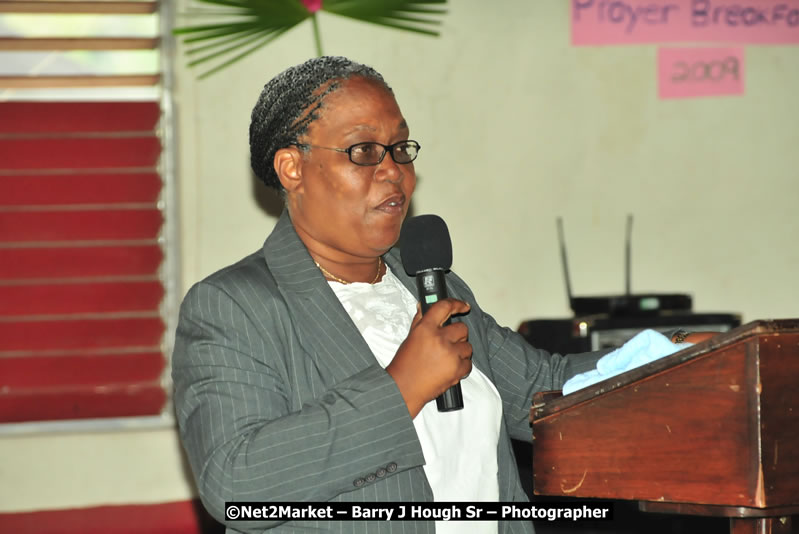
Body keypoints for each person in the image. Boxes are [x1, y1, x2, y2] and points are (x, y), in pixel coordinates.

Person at [171, 56, 706, 534]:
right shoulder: (234, 306)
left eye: (400, 148)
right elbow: (235, 484)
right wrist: (401, 388)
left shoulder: (428, 283)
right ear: (292, 168)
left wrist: (676, 355)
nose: (393, 171)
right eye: (363, 151)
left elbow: (544, 392)